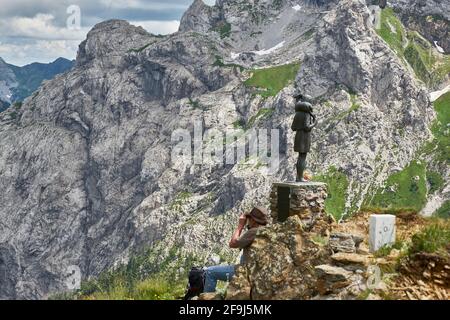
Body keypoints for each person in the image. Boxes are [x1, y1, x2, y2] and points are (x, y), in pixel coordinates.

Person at [203, 207, 269, 293]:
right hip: (255, 270)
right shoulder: (265, 230)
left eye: (249, 218)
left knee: (210, 272)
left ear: (253, 220)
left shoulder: (254, 231)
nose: (247, 220)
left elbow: (232, 243)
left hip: (245, 271)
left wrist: (240, 226)